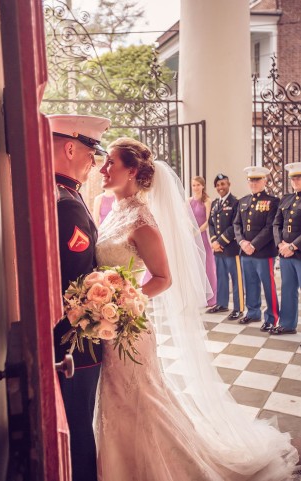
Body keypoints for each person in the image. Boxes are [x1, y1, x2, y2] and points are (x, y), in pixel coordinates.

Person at [95, 138, 297, 480]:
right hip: (110, 323)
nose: (103, 168)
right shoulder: (115, 210)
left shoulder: (142, 220)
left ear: (131, 171)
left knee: (141, 400)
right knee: (119, 401)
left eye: (110, 162)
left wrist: (125, 300)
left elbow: (162, 278)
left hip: (129, 324)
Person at [48, 113, 111, 481]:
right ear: (70, 148)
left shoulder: (62, 194)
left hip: (68, 338)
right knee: (78, 429)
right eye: (90, 152)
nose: (94, 162)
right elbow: (75, 282)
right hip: (77, 341)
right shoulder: (68, 202)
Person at [233, 166, 280, 332]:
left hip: (263, 252)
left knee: (268, 285)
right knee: (250, 283)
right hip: (245, 251)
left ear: (264, 181)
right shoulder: (243, 201)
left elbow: (270, 227)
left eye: (257, 180)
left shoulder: (273, 201)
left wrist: (253, 245)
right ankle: (253, 312)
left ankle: (272, 317)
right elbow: (236, 224)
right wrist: (242, 242)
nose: (253, 183)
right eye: (251, 180)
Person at [207, 173, 244, 320]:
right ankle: (222, 303)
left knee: (236, 279)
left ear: (229, 184)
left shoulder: (235, 202)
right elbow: (211, 223)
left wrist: (219, 242)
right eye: (217, 185)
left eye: (223, 184)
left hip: (231, 248)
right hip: (218, 249)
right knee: (221, 277)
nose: (220, 187)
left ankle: (238, 308)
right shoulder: (216, 203)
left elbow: (234, 226)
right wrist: (213, 241)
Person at [272, 162, 301, 335]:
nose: (296, 181)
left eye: (299, 177)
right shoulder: (286, 199)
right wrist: (280, 244)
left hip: (298, 252)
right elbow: (277, 223)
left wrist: (293, 245)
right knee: (288, 289)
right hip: (285, 253)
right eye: (293, 178)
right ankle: (288, 324)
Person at [189, 176, 217, 306]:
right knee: (195, 266)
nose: (195, 187)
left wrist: (197, 232)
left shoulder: (207, 201)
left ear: (203, 186)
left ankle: (210, 297)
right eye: (193, 185)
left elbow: (208, 221)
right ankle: (197, 295)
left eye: (198, 185)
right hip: (192, 238)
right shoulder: (188, 201)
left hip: (203, 237)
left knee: (207, 266)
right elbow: (186, 218)